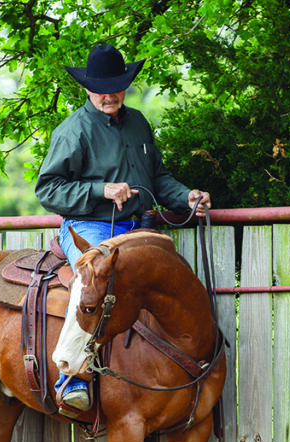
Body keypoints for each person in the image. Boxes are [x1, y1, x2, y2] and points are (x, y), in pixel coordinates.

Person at [35, 43, 211, 411]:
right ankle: (71, 379)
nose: (109, 94)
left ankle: (163, 377)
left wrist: (187, 196)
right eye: (101, 88)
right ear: (87, 89)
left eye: (116, 86)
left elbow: (158, 178)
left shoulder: (138, 123)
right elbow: (48, 190)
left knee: (168, 285)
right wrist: (101, 189)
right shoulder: (73, 131)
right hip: (89, 228)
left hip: (138, 227)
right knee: (91, 284)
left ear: (125, 86)